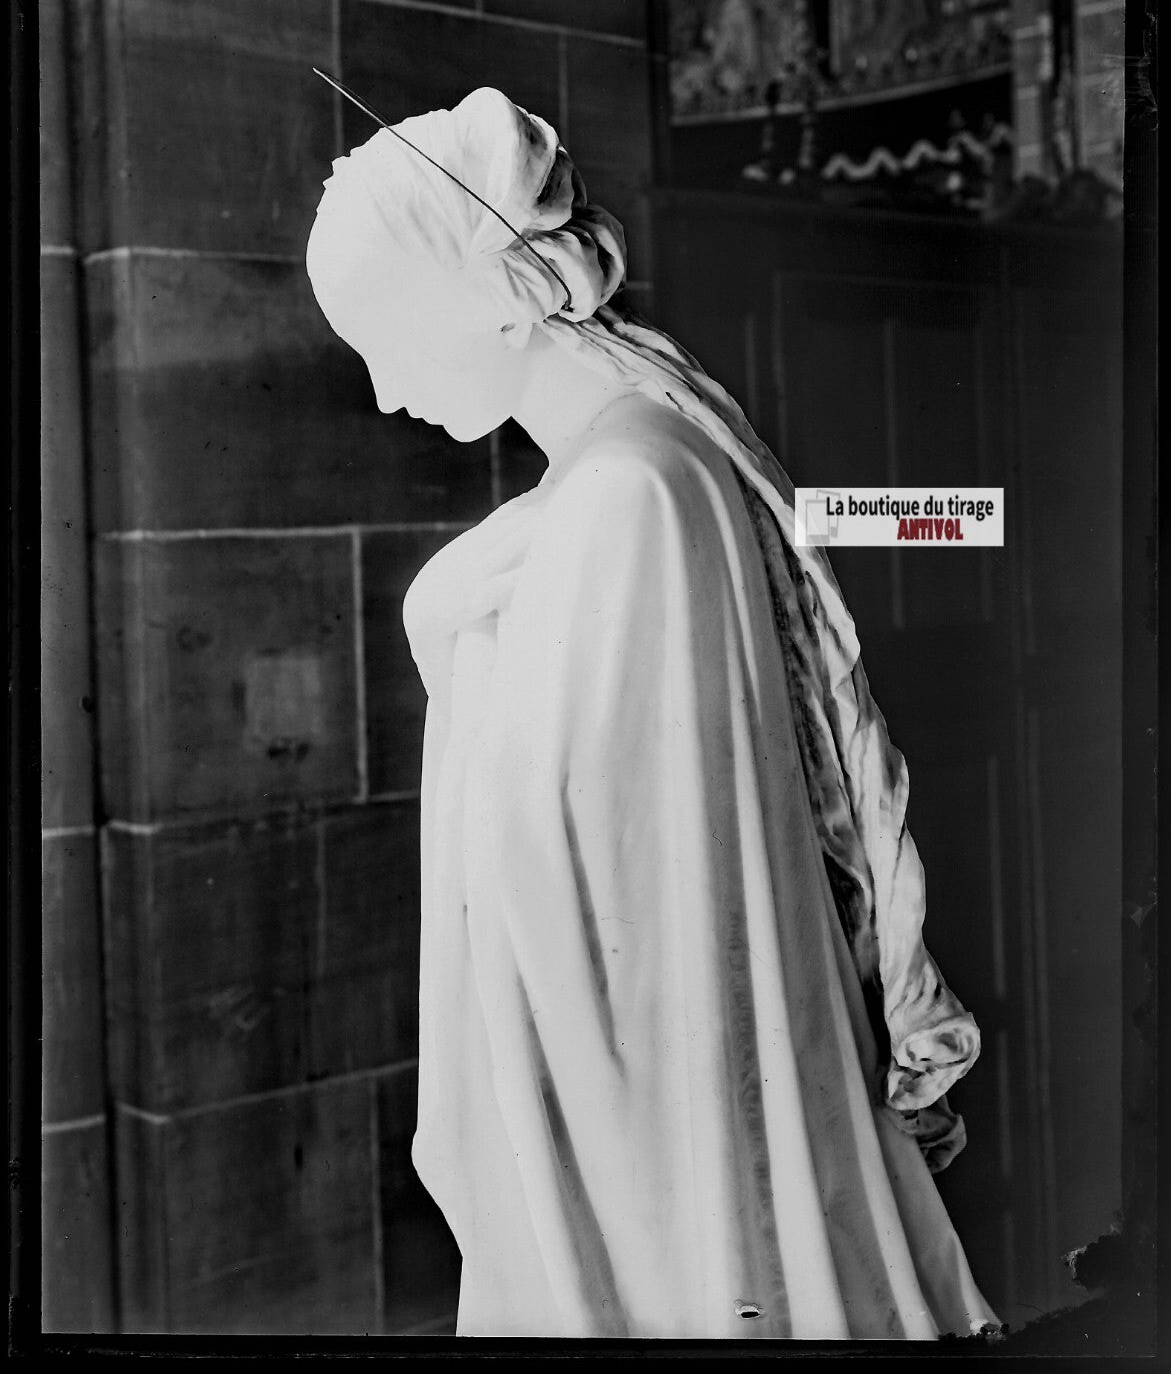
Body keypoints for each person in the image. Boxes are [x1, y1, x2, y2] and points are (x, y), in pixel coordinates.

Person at [304, 84, 999, 1340]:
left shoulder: (624, 493)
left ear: (492, 299)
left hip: (675, 1134)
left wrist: (447, 647)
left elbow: (589, 889)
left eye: (384, 338)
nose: (387, 389)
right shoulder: (634, 465)